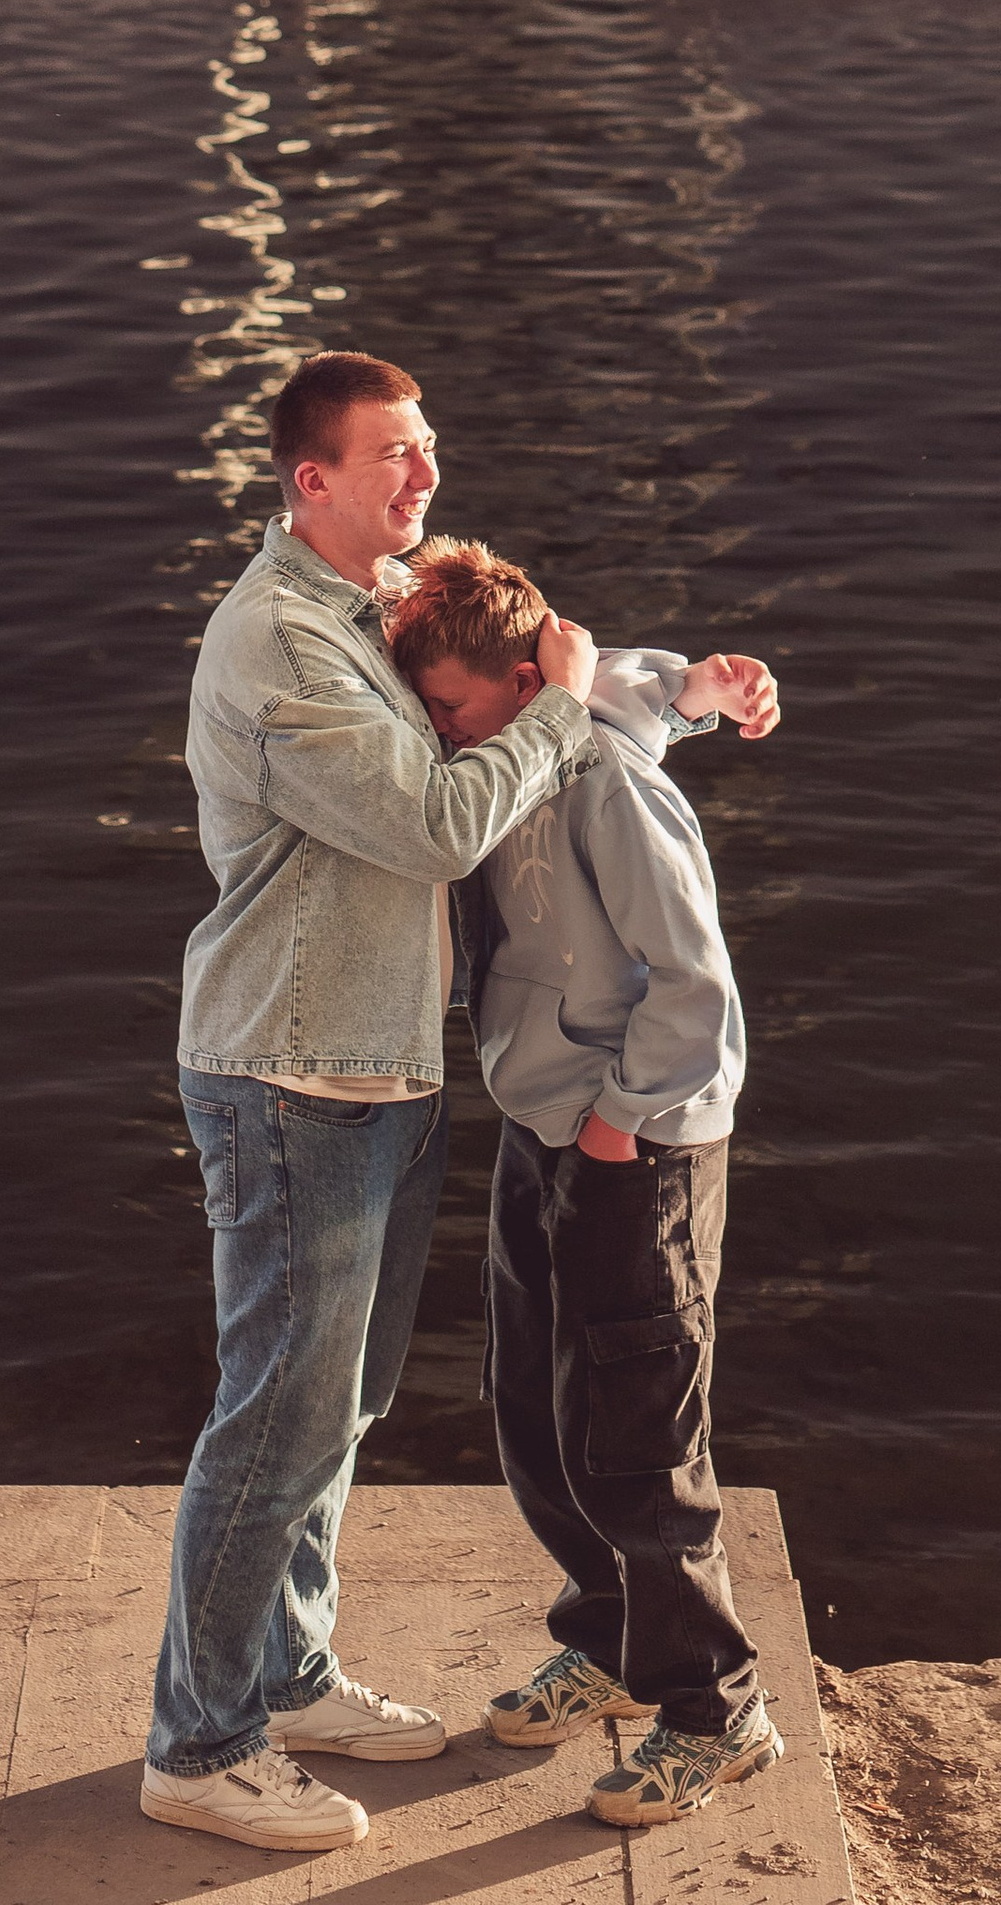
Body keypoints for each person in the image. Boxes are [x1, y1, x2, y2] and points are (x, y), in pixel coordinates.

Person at [142, 353, 605, 1852]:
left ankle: (288, 1675)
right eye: (393, 458)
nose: (424, 478)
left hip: (382, 1070)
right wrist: (571, 707)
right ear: (311, 481)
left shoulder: (371, 617)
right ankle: (198, 1747)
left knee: (338, 1409)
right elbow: (432, 824)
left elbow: (484, 699)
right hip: (291, 1080)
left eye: (428, 450)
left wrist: (679, 693)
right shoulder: (279, 644)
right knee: (271, 1424)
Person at [388, 534, 785, 1831]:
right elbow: (622, 676)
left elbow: (699, 985)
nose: (436, 736)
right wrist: (699, 684)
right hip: (542, 1120)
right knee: (533, 1407)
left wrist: (618, 1126)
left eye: (444, 708)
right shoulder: (525, 738)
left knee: (639, 1434)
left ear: (514, 682)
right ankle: (613, 1643)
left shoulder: (605, 780)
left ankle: (717, 1710)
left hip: (638, 1142)